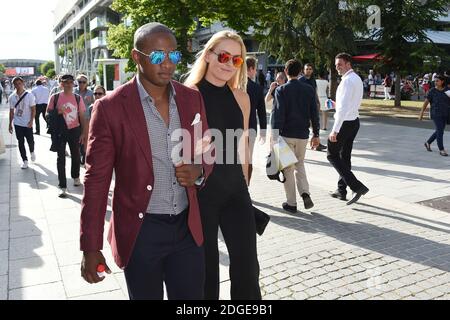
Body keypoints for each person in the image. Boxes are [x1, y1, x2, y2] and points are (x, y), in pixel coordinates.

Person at [80, 22, 213, 300]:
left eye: (173, 56)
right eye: (156, 56)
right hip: (141, 232)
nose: (167, 64)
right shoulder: (109, 108)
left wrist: (199, 170)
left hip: (187, 229)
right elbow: (96, 180)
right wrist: (90, 246)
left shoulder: (191, 98)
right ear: (136, 57)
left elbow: (206, 150)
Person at [184, 30, 261, 300]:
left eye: (236, 60)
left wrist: (245, 184)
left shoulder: (242, 98)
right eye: (224, 56)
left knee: (248, 270)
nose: (228, 64)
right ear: (208, 55)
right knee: (206, 274)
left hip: (236, 193)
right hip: (201, 194)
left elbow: (243, 148)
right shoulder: (187, 95)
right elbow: (175, 150)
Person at [272, 59, 320, 213]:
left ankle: (291, 203)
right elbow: (314, 113)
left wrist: (274, 136)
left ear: (286, 72)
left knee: (287, 168)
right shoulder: (309, 89)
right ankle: (305, 192)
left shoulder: (281, 90)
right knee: (300, 164)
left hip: (286, 135)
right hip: (303, 134)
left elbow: (278, 115)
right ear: (300, 72)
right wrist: (316, 133)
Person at [327, 53, 369, 205]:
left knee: (331, 155)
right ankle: (341, 190)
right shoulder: (356, 78)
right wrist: (334, 104)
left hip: (345, 123)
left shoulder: (346, 82)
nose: (337, 67)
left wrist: (334, 130)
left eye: (340, 64)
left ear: (348, 64)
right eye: (336, 64)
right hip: (354, 122)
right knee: (345, 157)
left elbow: (343, 109)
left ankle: (356, 186)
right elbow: (348, 104)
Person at [46, 74, 88, 198]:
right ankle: (62, 186)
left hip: (74, 129)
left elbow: (82, 116)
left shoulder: (77, 98)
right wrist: (58, 111)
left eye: (70, 82)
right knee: (61, 158)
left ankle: (75, 177)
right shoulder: (55, 97)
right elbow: (47, 114)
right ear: (61, 84)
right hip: (60, 131)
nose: (68, 84)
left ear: (73, 83)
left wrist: (83, 133)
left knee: (75, 155)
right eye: (65, 82)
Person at [246, 56, 267, 183]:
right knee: (248, 159)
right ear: (251, 69)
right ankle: (246, 188)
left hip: (232, 128)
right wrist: (263, 131)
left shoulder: (232, 86)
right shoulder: (257, 88)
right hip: (250, 128)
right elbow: (262, 112)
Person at [8, 77, 36, 169]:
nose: (18, 85)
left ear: (23, 83)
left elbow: (33, 110)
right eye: (16, 84)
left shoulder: (29, 95)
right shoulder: (12, 97)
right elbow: (11, 111)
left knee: (30, 141)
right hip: (18, 123)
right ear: (14, 85)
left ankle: (32, 151)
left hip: (27, 122)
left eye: (19, 83)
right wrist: (10, 124)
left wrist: (31, 121)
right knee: (20, 142)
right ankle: (25, 160)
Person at [419, 74, 450, 156]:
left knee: (439, 131)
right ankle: (441, 149)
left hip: (445, 113)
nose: (435, 82)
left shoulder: (447, 90)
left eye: (437, 81)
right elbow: (426, 103)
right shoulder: (432, 91)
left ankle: (428, 142)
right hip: (436, 113)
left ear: (442, 81)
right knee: (440, 131)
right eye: (435, 81)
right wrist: (421, 113)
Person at [299, 63, 326, 152]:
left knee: (315, 123)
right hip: (304, 106)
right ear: (304, 70)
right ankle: (311, 143)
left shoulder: (313, 80)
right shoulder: (300, 80)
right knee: (308, 125)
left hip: (313, 104)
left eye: (310, 69)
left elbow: (315, 91)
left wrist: (318, 101)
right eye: (307, 69)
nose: (309, 70)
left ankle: (316, 143)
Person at [74, 74, 94, 165]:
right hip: (75, 118)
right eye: (79, 82)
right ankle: (77, 154)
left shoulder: (90, 93)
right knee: (77, 136)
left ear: (87, 83)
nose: (81, 84)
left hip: (86, 118)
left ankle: (84, 155)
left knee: (85, 137)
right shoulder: (74, 92)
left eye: (83, 82)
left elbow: (94, 104)